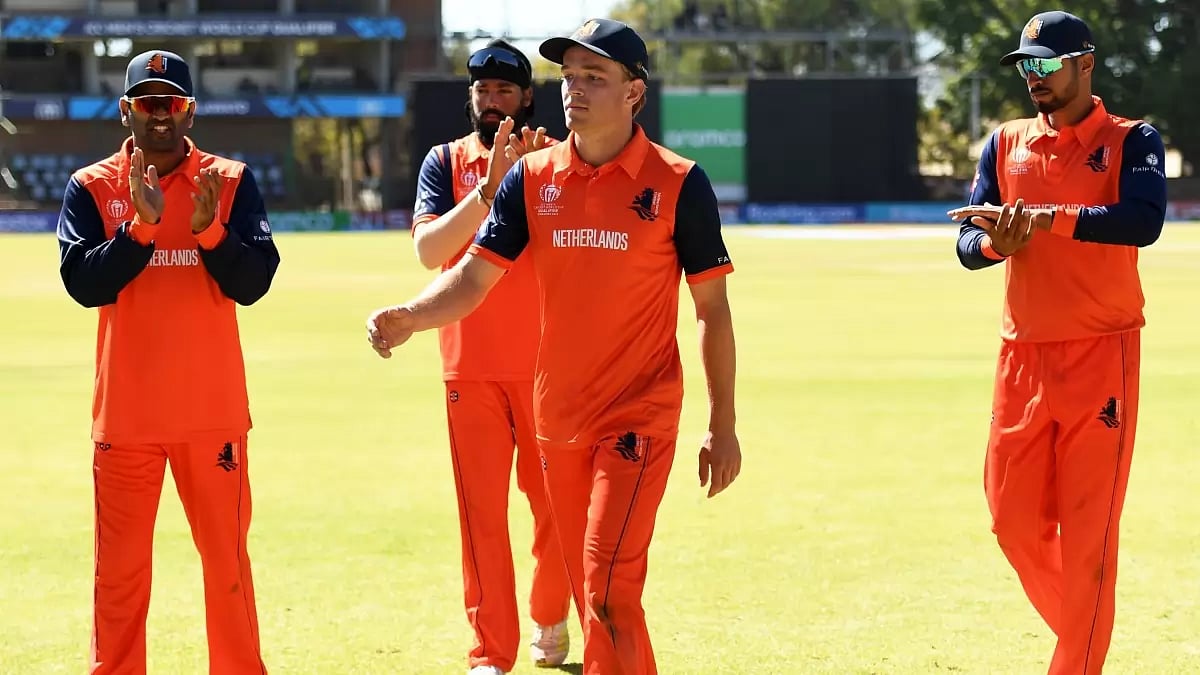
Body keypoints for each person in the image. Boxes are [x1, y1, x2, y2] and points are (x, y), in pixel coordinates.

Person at [367, 18, 742, 674]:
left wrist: (723, 423)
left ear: (634, 92)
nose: (575, 89)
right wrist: (412, 316)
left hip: (639, 415)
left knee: (607, 585)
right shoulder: (531, 179)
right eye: (569, 76)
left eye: (594, 76)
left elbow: (711, 309)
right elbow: (473, 277)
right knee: (593, 591)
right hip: (559, 421)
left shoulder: (680, 183)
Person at [947, 11, 1167, 675]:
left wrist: (1049, 219)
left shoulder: (1132, 139)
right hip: (1021, 357)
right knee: (1011, 522)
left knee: (1089, 539)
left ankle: (1078, 658)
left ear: (1085, 64)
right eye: (1026, 66)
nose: (1034, 78)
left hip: (1102, 353)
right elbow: (968, 239)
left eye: (1046, 64)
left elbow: (1142, 221)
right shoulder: (1004, 142)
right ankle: (1085, 624)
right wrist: (996, 244)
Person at [56, 49, 280, 675]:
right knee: (118, 576)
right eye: (148, 102)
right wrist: (141, 229)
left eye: (172, 102)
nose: (160, 114)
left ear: (191, 110)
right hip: (126, 419)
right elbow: (84, 285)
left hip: (211, 418)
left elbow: (254, 283)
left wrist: (211, 233)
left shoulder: (229, 181)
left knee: (227, 568)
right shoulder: (92, 186)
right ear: (126, 109)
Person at [409, 39, 574, 674]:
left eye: (505, 90)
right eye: (482, 90)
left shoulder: (555, 158)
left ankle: (549, 611)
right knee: (480, 515)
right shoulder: (444, 161)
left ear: (527, 97)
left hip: (546, 367)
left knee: (555, 508)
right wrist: (485, 192)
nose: (492, 100)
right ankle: (490, 652)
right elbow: (429, 252)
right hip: (469, 366)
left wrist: (524, 179)